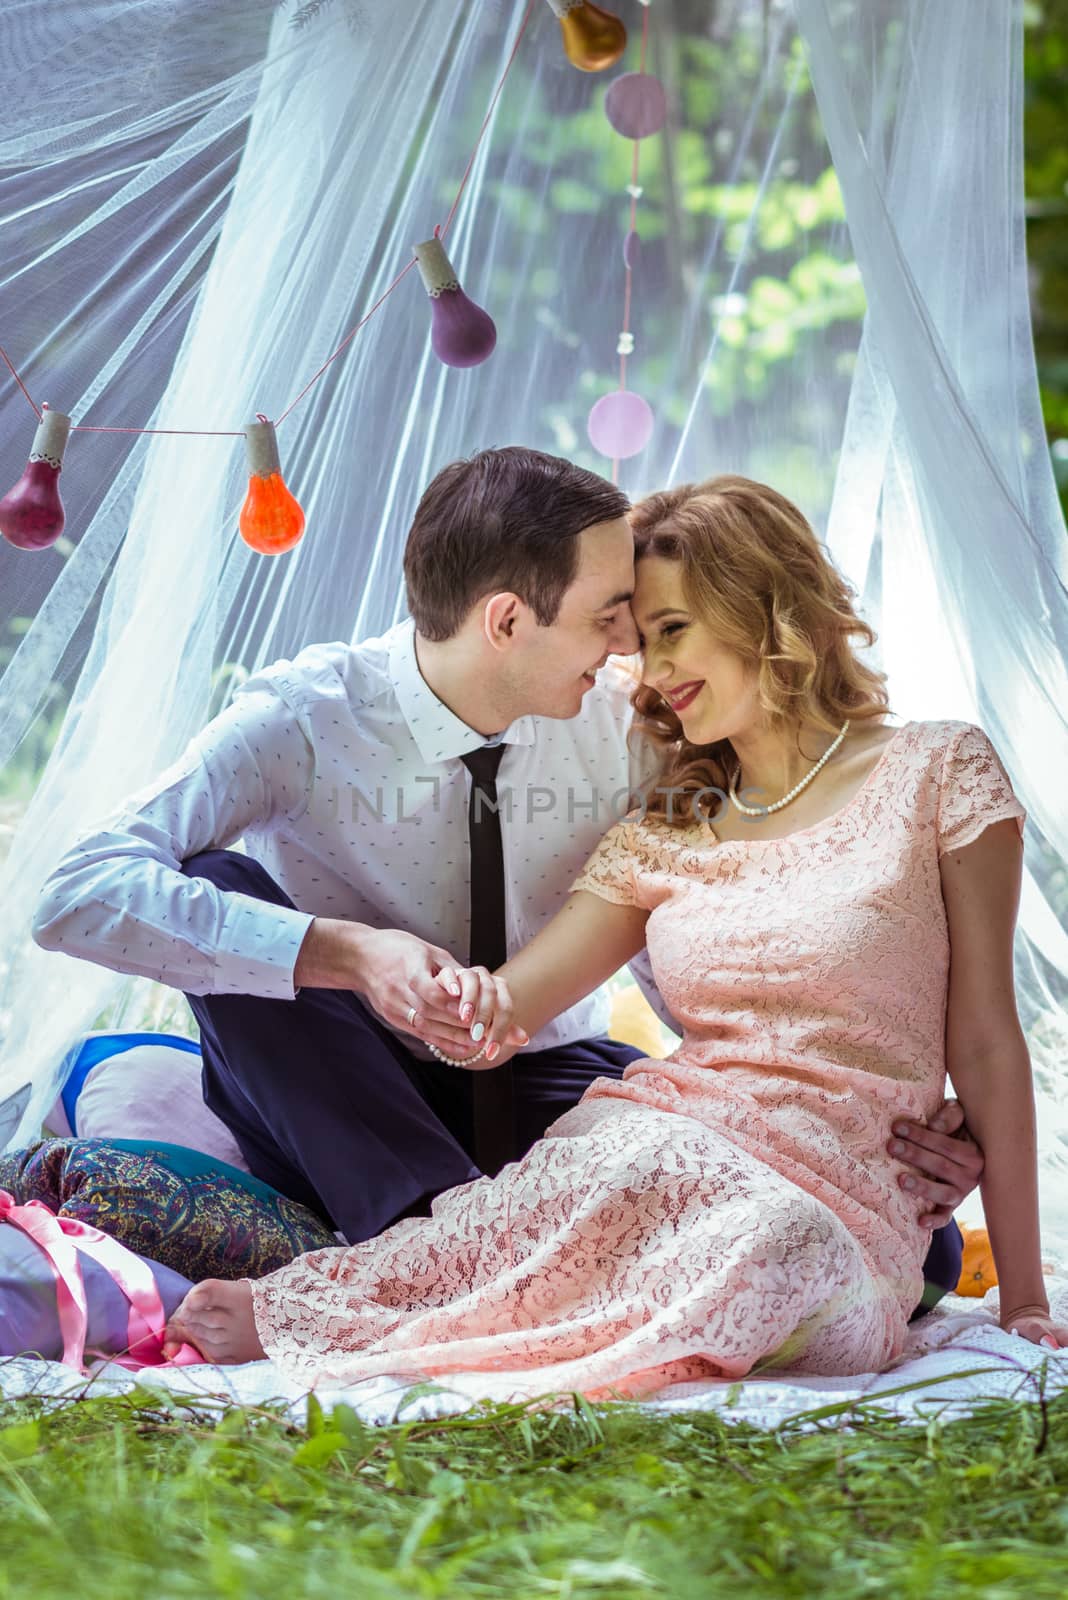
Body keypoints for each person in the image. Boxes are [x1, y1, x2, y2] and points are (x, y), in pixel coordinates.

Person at [161, 474, 1065, 1391]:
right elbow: (507, 1008)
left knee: (771, 1239)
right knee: (616, 1173)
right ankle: (350, 1309)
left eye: (670, 631)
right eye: (636, 636)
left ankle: (416, 1306)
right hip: (671, 1141)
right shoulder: (665, 822)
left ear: (762, 602)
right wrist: (385, 967)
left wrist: (1024, 1297)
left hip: (841, 1187)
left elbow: (988, 1040)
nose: (649, 669)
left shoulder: (939, 769)